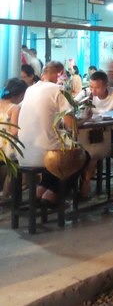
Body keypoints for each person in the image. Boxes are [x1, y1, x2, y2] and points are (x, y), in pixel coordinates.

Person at [17, 61, 83, 205]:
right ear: (60, 74)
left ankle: (41, 190)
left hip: (22, 154)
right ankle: (53, 195)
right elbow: (70, 125)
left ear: (43, 74)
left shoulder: (30, 90)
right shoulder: (58, 89)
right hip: (45, 155)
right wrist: (84, 119)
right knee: (80, 156)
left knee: (58, 152)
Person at [75, 71, 113, 199]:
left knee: (92, 153)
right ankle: (80, 183)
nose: (93, 90)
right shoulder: (86, 93)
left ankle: (85, 184)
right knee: (83, 150)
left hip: (110, 131)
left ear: (106, 85)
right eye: (91, 86)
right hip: (88, 131)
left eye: (96, 87)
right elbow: (72, 104)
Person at [0, 78, 28, 199]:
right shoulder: (14, 108)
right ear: (21, 94)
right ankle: (6, 197)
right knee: (15, 167)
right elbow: (14, 131)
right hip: (6, 148)